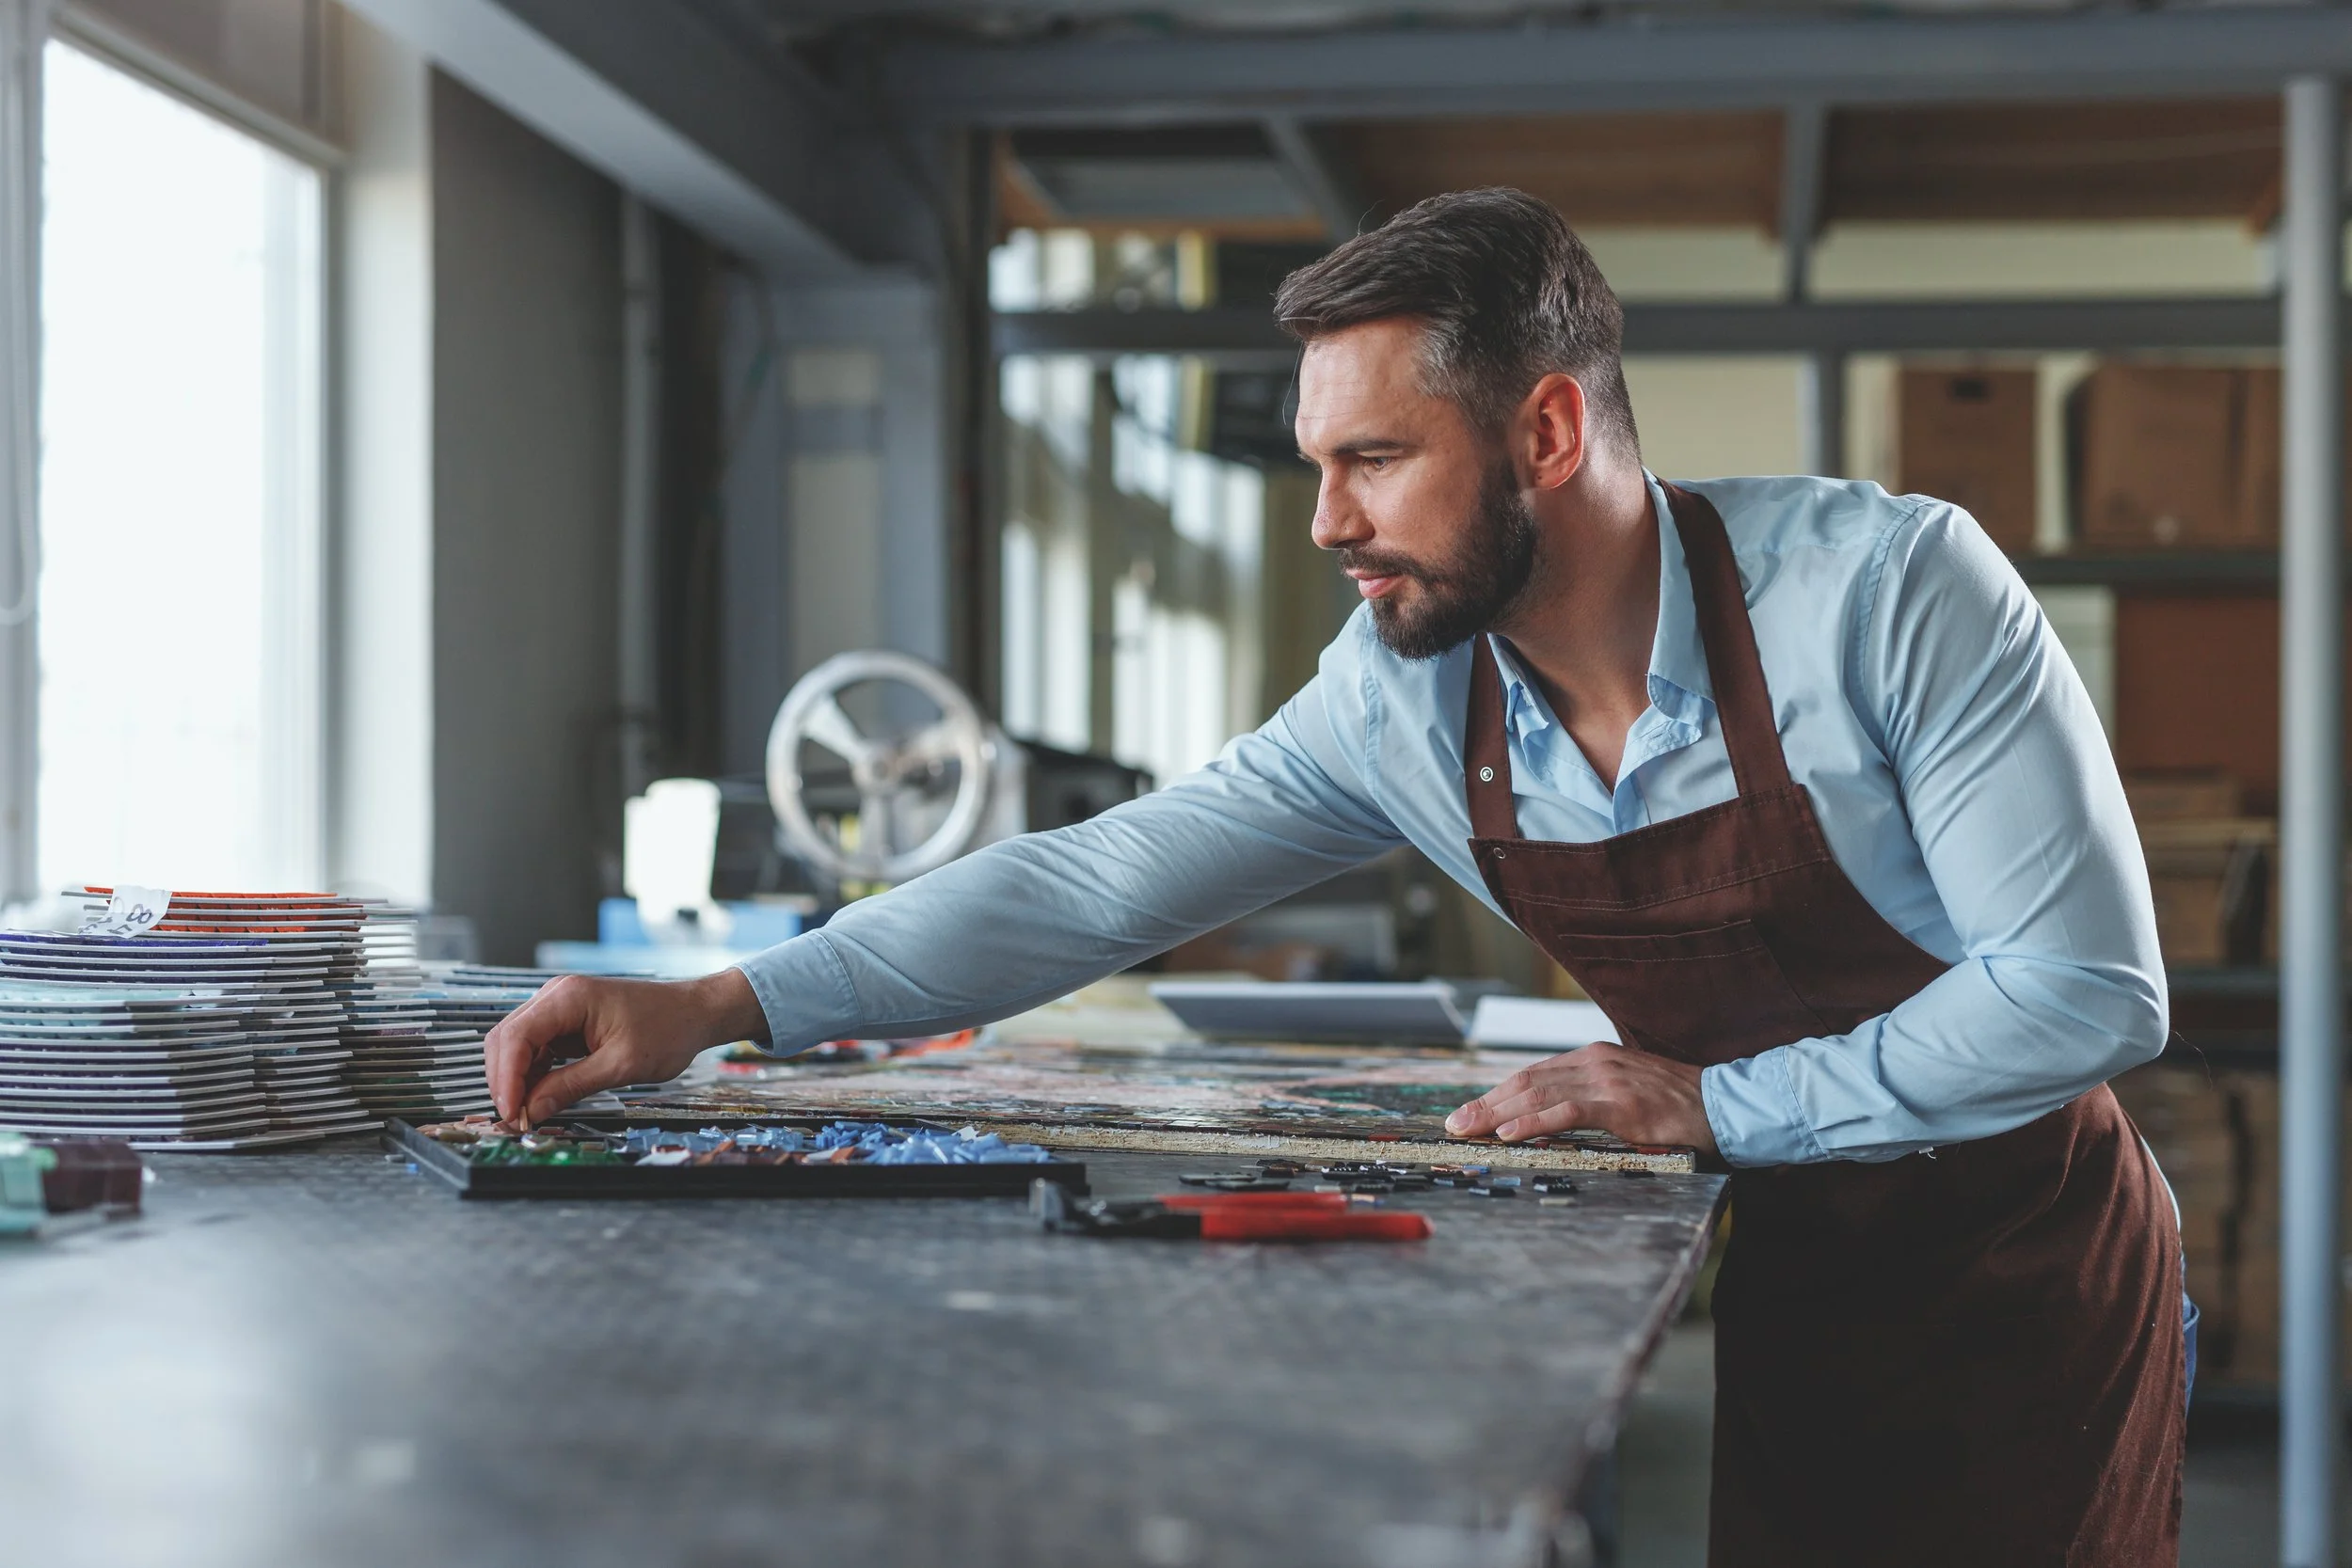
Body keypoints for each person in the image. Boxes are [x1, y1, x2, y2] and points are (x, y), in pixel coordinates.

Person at [487, 187, 2185, 1565]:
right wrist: (720, 999)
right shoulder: (1401, 692)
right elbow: (1099, 882)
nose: (1325, 522)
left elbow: (2086, 991)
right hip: (1803, 1273)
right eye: (1317, 464)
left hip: (2026, 1267)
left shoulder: (1887, 595)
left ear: (1542, 429)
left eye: (1372, 460)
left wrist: (1721, 1099)